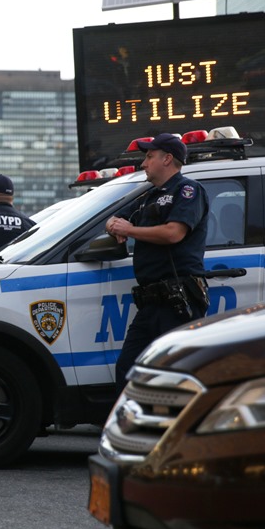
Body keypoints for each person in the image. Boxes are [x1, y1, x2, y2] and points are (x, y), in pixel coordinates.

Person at [104, 133, 209, 394]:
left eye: (149, 157)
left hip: (177, 299)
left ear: (167, 159)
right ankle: (135, 430)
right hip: (151, 303)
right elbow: (114, 218)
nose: (143, 164)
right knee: (129, 370)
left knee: (175, 376)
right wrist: (114, 226)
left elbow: (174, 233)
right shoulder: (149, 197)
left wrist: (130, 230)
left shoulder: (188, 190)